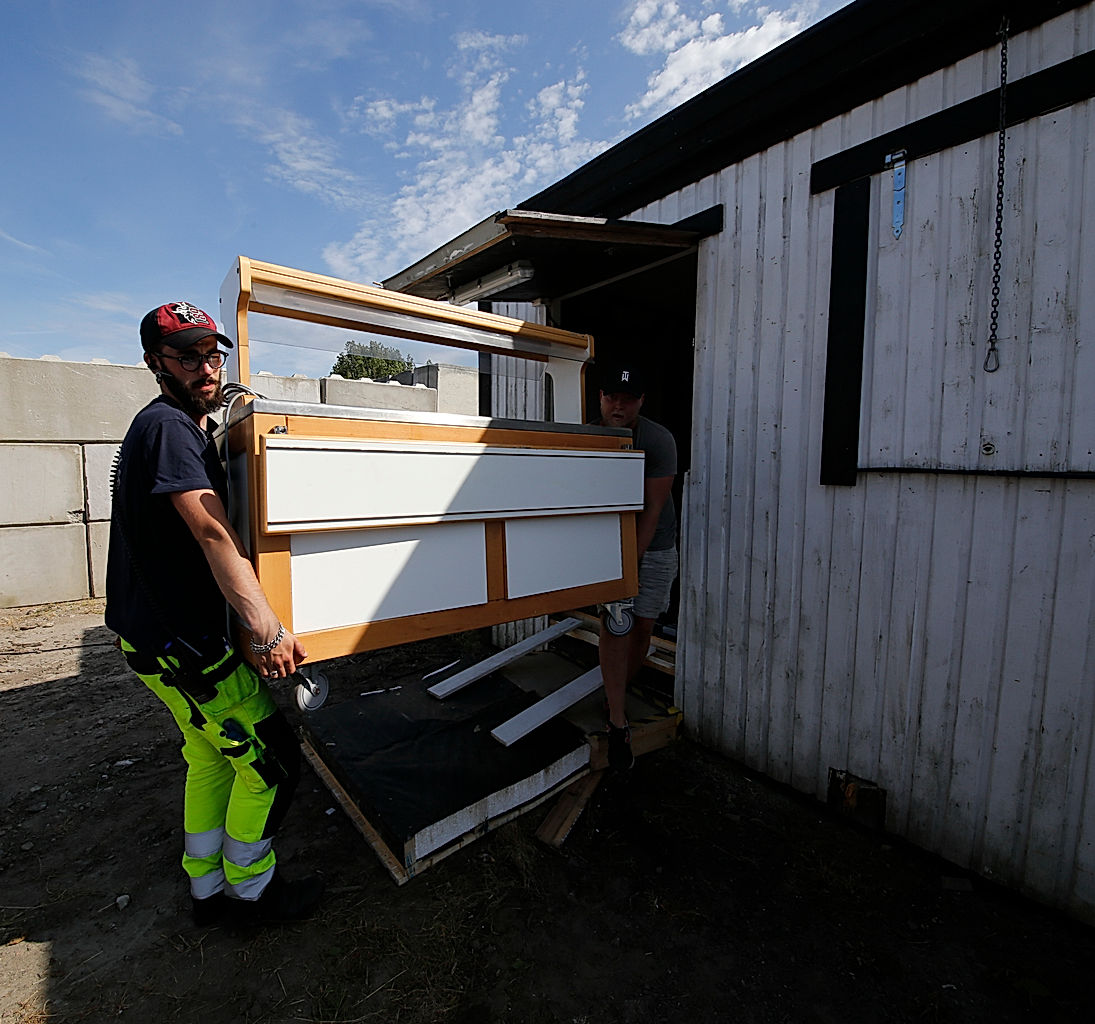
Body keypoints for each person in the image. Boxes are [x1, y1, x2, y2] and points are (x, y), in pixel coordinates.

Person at [105, 301, 322, 927]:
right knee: (271, 763)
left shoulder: (170, 426)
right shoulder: (171, 428)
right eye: (189, 356)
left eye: (212, 353)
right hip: (185, 645)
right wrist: (267, 628)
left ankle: (205, 891)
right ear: (156, 364)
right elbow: (212, 533)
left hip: (151, 639)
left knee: (209, 757)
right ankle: (251, 896)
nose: (207, 367)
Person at [595, 364, 678, 771]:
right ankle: (616, 718)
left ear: (641, 402)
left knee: (642, 625)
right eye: (611, 396)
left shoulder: (659, 440)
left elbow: (652, 511)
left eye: (628, 399)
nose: (618, 405)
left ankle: (617, 690)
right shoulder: (588, 437)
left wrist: (632, 565)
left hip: (655, 545)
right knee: (615, 624)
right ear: (600, 398)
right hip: (609, 543)